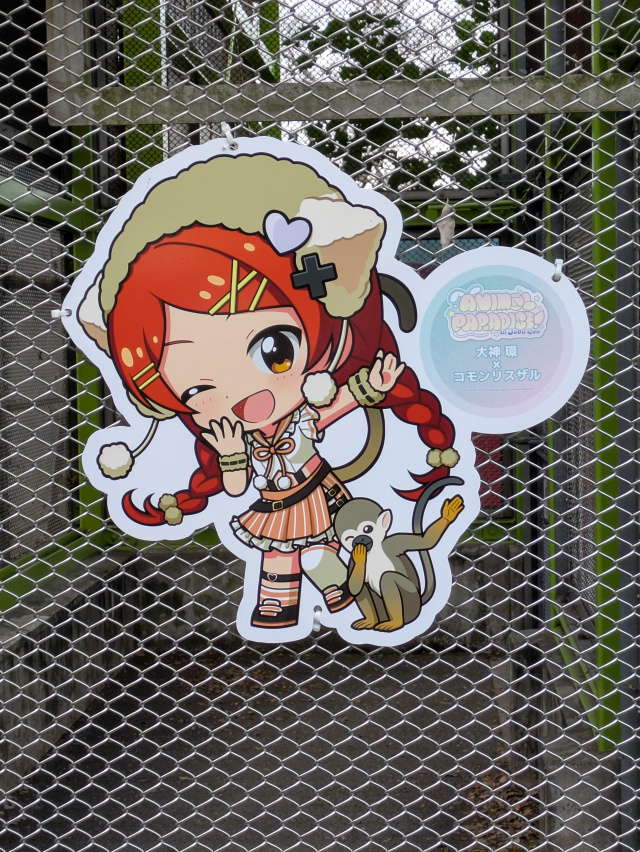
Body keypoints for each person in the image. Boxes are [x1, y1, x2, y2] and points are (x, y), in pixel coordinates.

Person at [77, 151, 459, 629]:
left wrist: (370, 386)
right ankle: (280, 610)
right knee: (279, 561)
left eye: (275, 350)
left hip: (318, 493)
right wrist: (231, 454)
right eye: (196, 387)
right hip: (276, 505)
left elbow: (340, 405)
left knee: (319, 556)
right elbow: (235, 487)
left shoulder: (303, 417)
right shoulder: (238, 438)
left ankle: (342, 598)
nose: (245, 394)